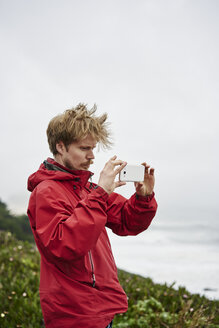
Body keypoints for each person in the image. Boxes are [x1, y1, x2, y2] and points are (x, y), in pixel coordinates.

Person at [27, 103, 158, 328]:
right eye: (84, 148)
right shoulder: (46, 191)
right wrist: (101, 193)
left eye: (93, 148)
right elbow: (63, 244)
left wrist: (143, 198)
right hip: (73, 313)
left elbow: (128, 222)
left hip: (99, 308)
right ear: (61, 146)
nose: (92, 156)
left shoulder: (87, 189)